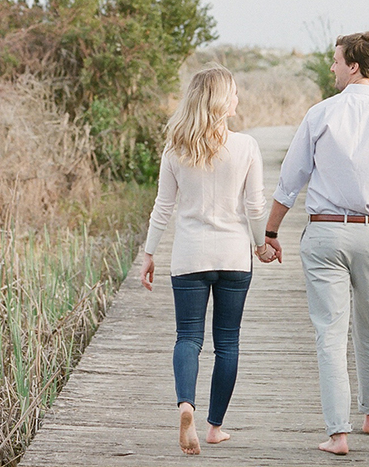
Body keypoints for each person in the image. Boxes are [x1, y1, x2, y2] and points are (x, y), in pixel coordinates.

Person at [259, 31, 369, 456]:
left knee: (329, 334)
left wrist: (271, 233)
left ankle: (338, 434)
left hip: (326, 233)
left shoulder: (321, 114)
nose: (332, 67)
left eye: (336, 60)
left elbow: (289, 182)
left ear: (353, 65)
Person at [138, 65, 274, 456]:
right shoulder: (246, 146)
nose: (237, 99)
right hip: (234, 255)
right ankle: (214, 428)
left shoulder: (175, 149)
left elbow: (163, 207)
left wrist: (149, 252)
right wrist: (261, 245)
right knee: (227, 341)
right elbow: (254, 207)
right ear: (221, 101)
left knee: (188, 338)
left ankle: (186, 406)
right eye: (234, 93)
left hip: (189, 255)